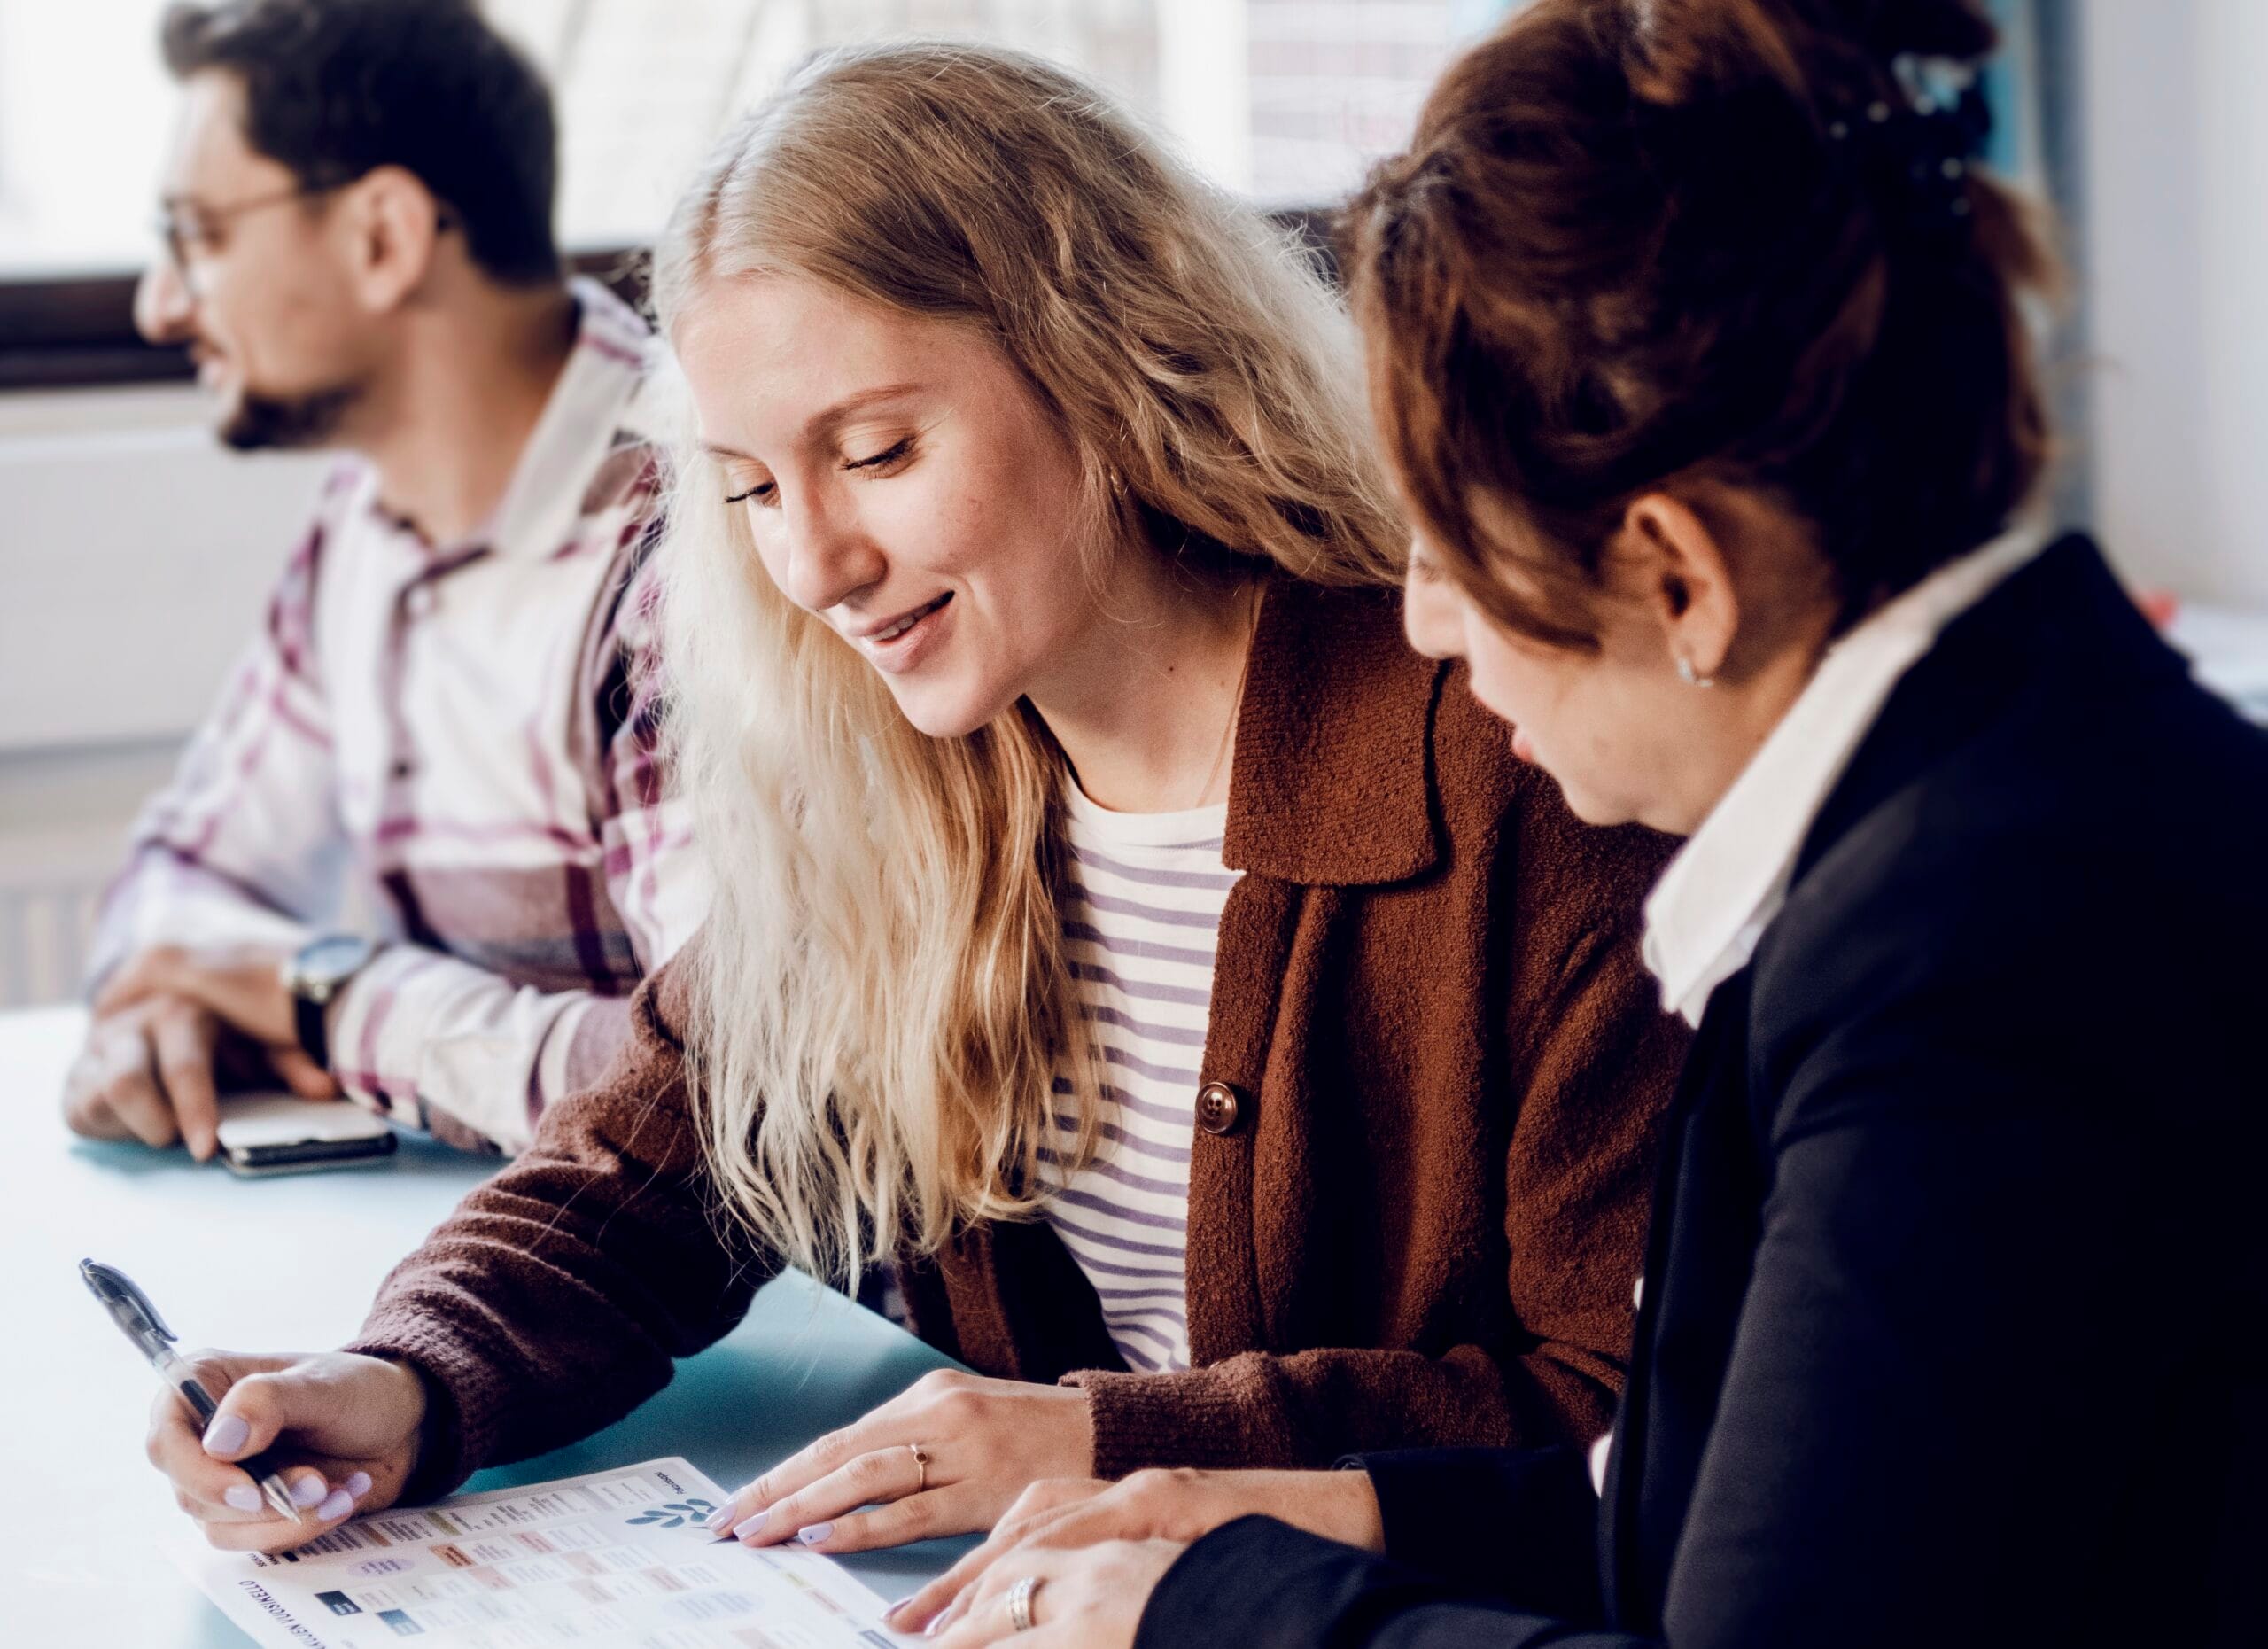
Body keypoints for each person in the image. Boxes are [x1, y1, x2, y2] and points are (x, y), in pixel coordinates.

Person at [138, 41, 1689, 1558]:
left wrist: (1102, 1435)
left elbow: (1618, 1423)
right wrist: (408, 1376)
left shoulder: (1523, 767)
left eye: (876, 450)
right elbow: (648, 1169)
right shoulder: (909, 767)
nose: (812, 565)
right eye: (749, 486)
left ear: (1111, 357)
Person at [895, 1, 2268, 1645]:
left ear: (1680, 578)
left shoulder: (1980, 963)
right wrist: (1306, 1509)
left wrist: (1220, 1612)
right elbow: (1741, 1506)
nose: (1421, 626)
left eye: (1449, 552)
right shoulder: (1999, 787)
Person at [62, 0, 703, 1160]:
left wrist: (327, 994)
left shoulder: (691, 536)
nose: (161, 305)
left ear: (384, 237)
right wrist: (174, 1006)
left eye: (199, 235)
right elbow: (177, 889)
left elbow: (721, 1090)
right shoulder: (362, 524)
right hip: (491, 1236)